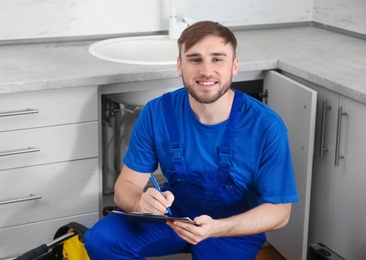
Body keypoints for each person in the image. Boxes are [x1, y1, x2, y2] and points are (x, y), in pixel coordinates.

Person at [84, 21, 298, 260]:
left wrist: (217, 228)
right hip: (174, 216)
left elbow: (280, 212)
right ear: (180, 66)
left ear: (234, 66)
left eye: (218, 59)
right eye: (195, 59)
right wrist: (140, 202)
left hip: (231, 228)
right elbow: (126, 186)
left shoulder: (266, 125)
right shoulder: (157, 112)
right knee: (102, 241)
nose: (206, 71)